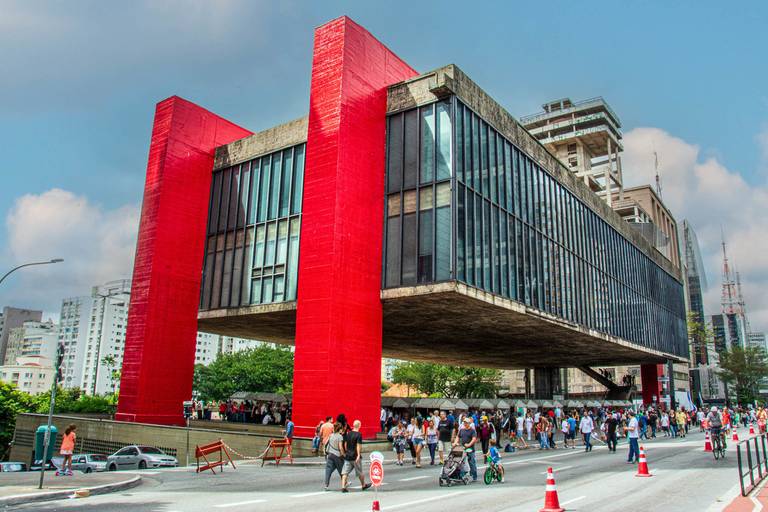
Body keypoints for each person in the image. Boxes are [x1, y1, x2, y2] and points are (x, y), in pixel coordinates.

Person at [340, 420, 372, 492]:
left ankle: (343, 487)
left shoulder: (348, 433)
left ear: (353, 425)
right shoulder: (359, 434)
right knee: (360, 472)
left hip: (348, 456)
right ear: (359, 425)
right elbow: (358, 445)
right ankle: (363, 485)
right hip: (355, 457)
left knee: (345, 472)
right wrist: (358, 455)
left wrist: (346, 451)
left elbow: (345, 444)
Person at [455, 417, 478, 482]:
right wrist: (455, 442)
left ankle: (474, 476)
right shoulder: (461, 430)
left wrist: (469, 444)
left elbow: (474, 439)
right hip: (463, 448)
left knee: (471, 462)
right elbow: (458, 437)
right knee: (460, 462)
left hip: (470, 449)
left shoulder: (472, 430)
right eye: (464, 422)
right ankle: (461, 475)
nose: (465, 424)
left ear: (469, 423)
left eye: (466, 423)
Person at [324, 423, 345, 490]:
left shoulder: (331, 435)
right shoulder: (340, 436)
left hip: (330, 454)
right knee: (342, 470)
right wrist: (343, 455)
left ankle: (326, 485)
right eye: (342, 429)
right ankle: (345, 483)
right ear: (340, 429)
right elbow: (340, 447)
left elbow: (326, 444)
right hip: (337, 456)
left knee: (328, 470)